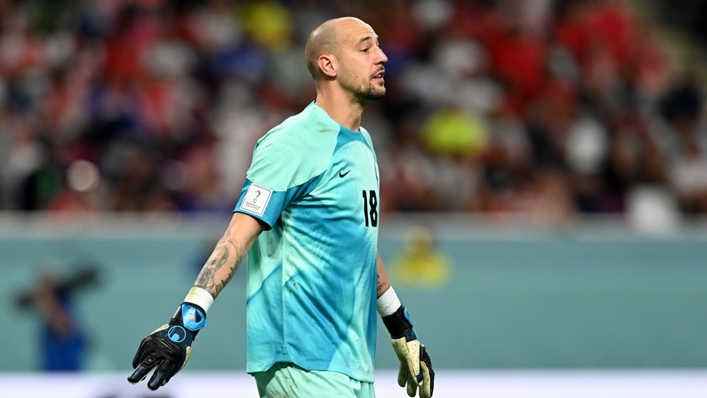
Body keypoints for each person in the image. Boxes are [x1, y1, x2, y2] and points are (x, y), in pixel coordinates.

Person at [127, 17, 434, 398]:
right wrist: (184, 324)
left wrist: (401, 327)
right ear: (329, 65)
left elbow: (359, 243)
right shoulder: (291, 142)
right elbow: (237, 236)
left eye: (379, 46)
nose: (383, 56)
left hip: (350, 364)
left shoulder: (363, 144)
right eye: (366, 47)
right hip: (299, 360)